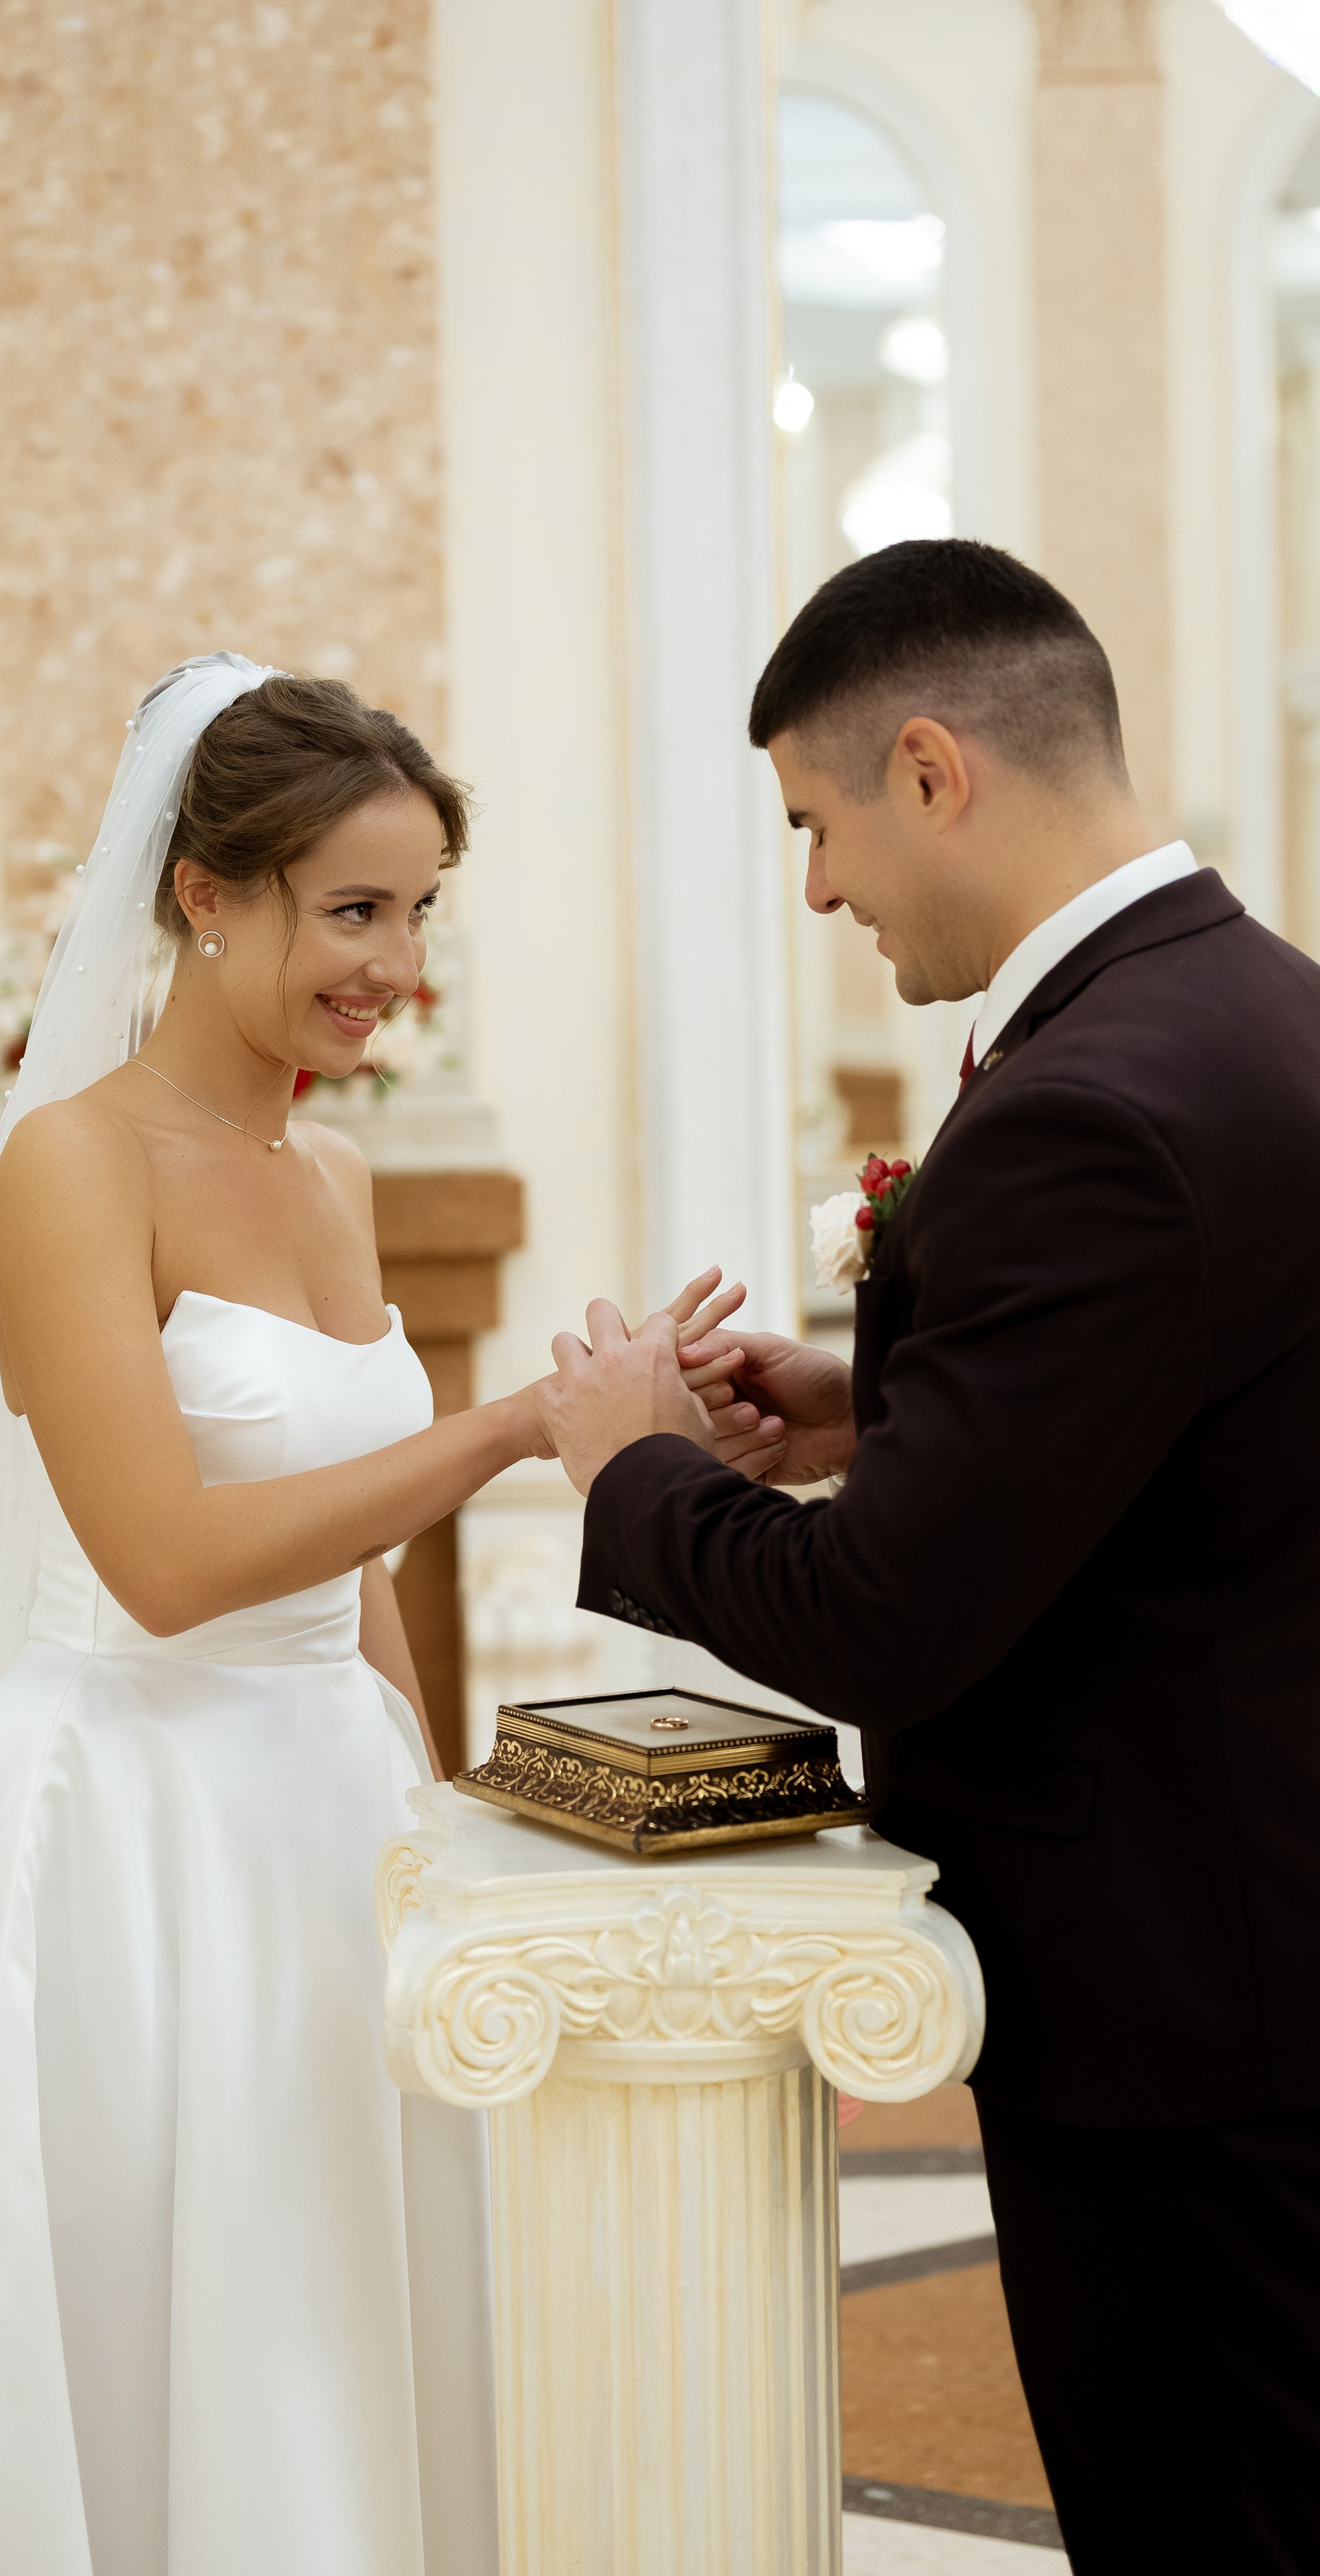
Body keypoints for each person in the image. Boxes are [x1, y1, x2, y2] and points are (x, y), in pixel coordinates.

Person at [0, 651, 750, 2576]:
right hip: (122, 1823)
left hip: (325, 1802)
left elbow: (347, 1564)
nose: (397, 964)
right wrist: (514, 1427)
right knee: (140, 2308)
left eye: (420, 913)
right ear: (204, 894)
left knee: (327, 2290)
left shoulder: (337, 1170)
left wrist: (437, 1808)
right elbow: (169, 1561)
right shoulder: (70, 1164)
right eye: (355, 910)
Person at [540, 541, 1320, 2576]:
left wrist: (633, 1472)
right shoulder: (1258, 1008)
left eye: (817, 825)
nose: (817, 890)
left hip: (1181, 2006)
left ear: (929, 769)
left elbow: (888, 1620)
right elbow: (1207, 1436)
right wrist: (875, 1409)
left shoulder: (1094, 1102)